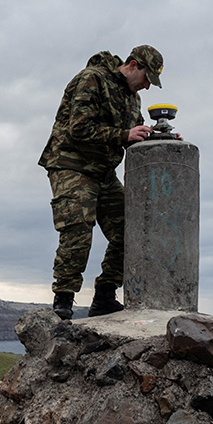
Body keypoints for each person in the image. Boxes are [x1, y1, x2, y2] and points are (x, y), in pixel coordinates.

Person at [39, 45, 164, 320]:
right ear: (133, 65)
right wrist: (123, 134)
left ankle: (105, 296)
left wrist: (162, 138)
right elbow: (79, 128)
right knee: (79, 227)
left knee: (131, 228)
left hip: (103, 172)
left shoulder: (133, 100)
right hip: (71, 164)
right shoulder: (92, 79)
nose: (146, 87)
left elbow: (135, 134)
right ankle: (63, 300)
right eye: (146, 79)